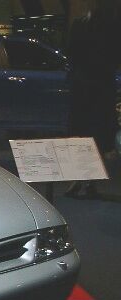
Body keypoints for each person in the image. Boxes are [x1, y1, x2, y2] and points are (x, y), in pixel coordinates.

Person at [65, 0, 121, 198]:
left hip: (83, 88)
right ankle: (89, 181)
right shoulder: (113, 27)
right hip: (101, 88)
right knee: (96, 137)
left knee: (80, 135)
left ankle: (79, 180)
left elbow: (71, 53)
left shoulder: (80, 24)